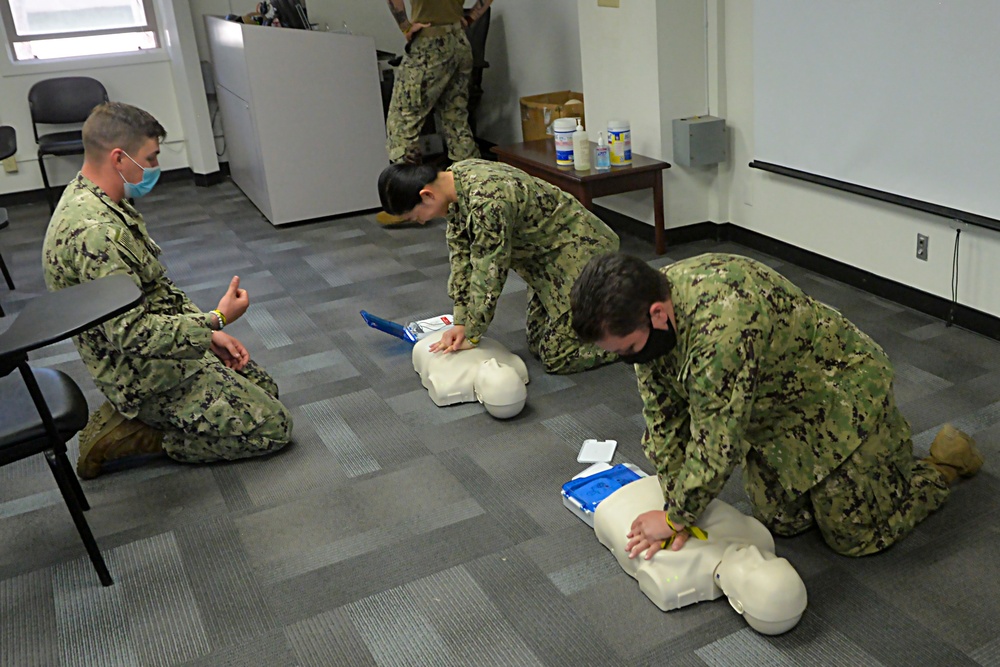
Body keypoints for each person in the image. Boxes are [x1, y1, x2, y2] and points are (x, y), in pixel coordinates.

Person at [570, 252, 983, 557]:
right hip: (772, 412)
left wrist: (677, 517)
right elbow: (663, 417)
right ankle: (872, 470)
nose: (627, 360)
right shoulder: (648, 314)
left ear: (657, 313)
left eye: (627, 349)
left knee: (854, 536)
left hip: (838, 395)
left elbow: (717, 442)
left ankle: (932, 465)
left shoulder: (724, 324)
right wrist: (675, 499)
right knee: (782, 523)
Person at [42, 102, 292, 479]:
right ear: (119, 158)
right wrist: (215, 318)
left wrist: (210, 335)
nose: (155, 168)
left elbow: (156, 289)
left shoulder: (102, 199)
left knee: (264, 390)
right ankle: (141, 434)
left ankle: (162, 420)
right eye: (150, 157)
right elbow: (131, 334)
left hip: (159, 346)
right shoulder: (94, 233)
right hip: (138, 372)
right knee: (273, 428)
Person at [378, 159, 620, 374]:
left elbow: (489, 272)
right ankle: (599, 311)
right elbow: (462, 258)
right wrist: (461, 321)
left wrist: (473, 334)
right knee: (537, 343)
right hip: (542, 259)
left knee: (557, 356)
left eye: (415, 216)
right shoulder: (454, 182)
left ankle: (632, 338)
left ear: (427, 195)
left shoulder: (488, 201)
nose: (421, 222)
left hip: (579, 250)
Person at [593, 474, 808, 635]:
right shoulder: (759, 538)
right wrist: (676, 517)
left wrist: (671, 521)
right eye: (771, 559)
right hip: (673, 486)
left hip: (614, 502)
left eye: (753, 568)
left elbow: (630, 548)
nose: (754, 553)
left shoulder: (672, 581)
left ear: (736, 604)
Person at [377, 0, 491, 225]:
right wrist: (469, 18)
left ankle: (408, 203)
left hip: (429, 44)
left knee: (403, 121)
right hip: (459, 42)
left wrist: (406, 27)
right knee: (456, 121)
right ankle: (477, 194)